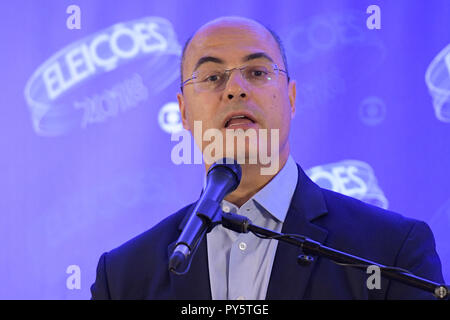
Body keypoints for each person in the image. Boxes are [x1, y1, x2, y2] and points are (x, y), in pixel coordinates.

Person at [91, 16, 445, 300]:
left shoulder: (389, 251)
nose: (235, 88)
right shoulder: (124, 277)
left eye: (257, 73)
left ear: (290, 98)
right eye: (212, 77)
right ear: (183, 112)